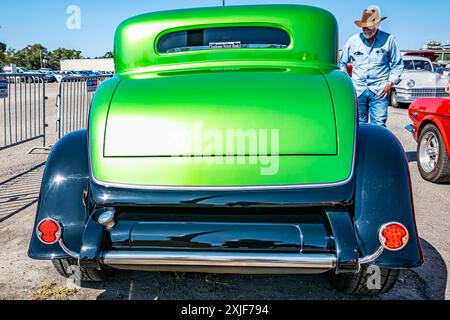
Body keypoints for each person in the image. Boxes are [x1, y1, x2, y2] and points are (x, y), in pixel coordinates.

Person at [339, 6, 404, 127]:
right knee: (358, 126)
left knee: (379, 126)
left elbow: (398, 64)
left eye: (370, 26)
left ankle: (376, 146)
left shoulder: (389, 40)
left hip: (380, 91)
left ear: (377, 25)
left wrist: (390, 83)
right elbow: (342, 63)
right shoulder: (353, 41)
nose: (366, 30)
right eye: (364, 27)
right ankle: (361, 147)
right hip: (358, 91)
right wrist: (348, 82)